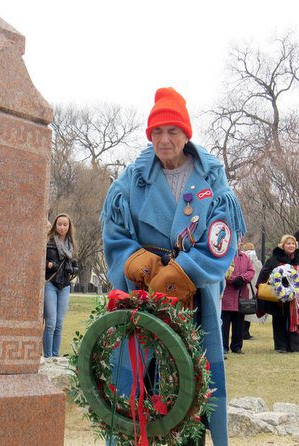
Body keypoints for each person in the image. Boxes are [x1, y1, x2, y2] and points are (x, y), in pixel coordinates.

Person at [101, 87, 246, 446]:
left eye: (173, 131)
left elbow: (220, 238)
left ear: (186, 135)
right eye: (157, 132)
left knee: (191, 385)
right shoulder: (131, 180)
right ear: (149, 136)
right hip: (143, 296)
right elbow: (115, 231)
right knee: (136, 383)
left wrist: (184, 272)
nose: (164, 140)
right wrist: (139, 262)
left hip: (192, 298)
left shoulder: (213, 178)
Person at [256, 234, 299, 353]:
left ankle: (294, 346)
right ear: (283, 245)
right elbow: (265, 274)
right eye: (288, 243)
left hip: (296, 298)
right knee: (279, 320)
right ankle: (281, 346)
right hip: (279, 297)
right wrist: (280, 278)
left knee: (296, 320)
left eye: (293, 243)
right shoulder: (274, 260)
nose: (291, 245)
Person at [43, 213, 79, 358]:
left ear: (69, 227)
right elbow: (41, 260)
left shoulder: (72, 244)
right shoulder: (48, 242)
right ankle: (48, 357)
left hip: (64, 285)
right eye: (59, 224)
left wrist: (74, 269)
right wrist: (50, 264)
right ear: (55, 225)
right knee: (50, 323)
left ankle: (55, 356)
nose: (62, 227)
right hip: (50, 283)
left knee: (59, 324)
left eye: (65, 225)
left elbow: (76, 263)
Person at [222, 240, 255, 354]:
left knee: (239, 324)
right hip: (227, 295)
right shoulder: (224, 256)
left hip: (241, 296)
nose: (237, 244)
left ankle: (237, 346)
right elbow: (223, 271)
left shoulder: (245, 257)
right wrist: (233, 279)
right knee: (224, 324)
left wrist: (242, 278)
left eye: (239, 242)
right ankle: (224, 346)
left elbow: (251, 271)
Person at [242, 242, 265, 339]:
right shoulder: (257, 262)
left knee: (243, 311)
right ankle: (246, 332)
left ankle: (243, 332)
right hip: (253, 289)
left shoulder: (243, 260)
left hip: (244, 288)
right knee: (249, 310)